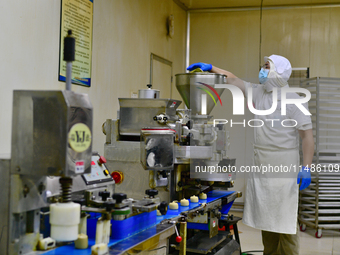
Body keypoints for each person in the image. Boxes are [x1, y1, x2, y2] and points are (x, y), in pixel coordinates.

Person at [187, 55, 314, 255]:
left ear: (278, 73)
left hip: (284, 166)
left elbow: (307, 137)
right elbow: (232, 79)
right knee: (268, 220)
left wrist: (306, 168)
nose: (262, 71)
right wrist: (211, 67)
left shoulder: (294, 100)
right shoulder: (259, 92)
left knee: (285, 224)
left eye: (266, 67)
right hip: (262, 164)